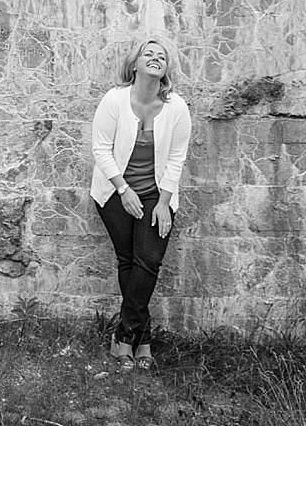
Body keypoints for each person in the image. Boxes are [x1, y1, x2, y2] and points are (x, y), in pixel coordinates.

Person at [90, 36, 192, 370]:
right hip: (114, 193)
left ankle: (124, 336)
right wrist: (123, 190)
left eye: (161, 56)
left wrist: (163, 203)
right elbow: (101, 149)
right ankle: (143, 340)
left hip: (156, 196)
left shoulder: (177, 107)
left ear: (165, 70)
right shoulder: (114, 100)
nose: (155, 58)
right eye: (148, 54)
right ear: (135, 65)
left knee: (148, 262)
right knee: (128, 261)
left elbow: (176, 158)